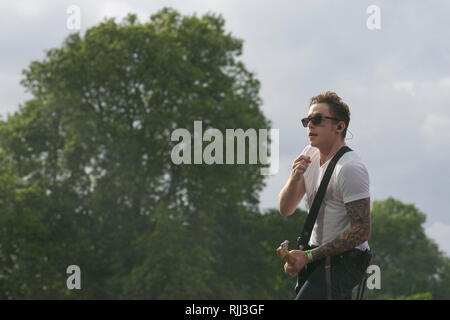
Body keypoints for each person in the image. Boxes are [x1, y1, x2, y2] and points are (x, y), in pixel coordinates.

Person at [278, 91, 371, 300]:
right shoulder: (309, 154)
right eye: (307, 120)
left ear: (339, 126)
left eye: (318, 119)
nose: (310, 125)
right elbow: (285, 209)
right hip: (318, 256)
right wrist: (294, 178)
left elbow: (361, 231)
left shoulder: (349, 168)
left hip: (347, 260)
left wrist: (308, 257)